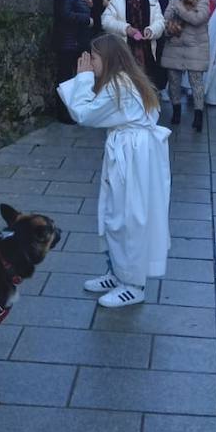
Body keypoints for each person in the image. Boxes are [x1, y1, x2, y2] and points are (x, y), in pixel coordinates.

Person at [57, 35, 171, 308]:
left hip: (134, 157)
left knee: (129, 216)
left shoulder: (119, 85)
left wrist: (82, 79)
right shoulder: (123, 81)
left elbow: (84, 114)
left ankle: (133, 284)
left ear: (107, 58)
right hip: (132, 152)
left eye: (94, 58)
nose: (91, 63)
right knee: (114, 212)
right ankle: (118, 272)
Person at [162, 0, 211, 132]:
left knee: (196, 82)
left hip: (195, 47)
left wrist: (179, 9)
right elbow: (166, 16)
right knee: (174, 81)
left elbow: (198, 18)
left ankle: (198, 115)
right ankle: (176, 110)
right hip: (174, 45)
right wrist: (169, 29)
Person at [102, 0, 165, 85]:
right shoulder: (118, 0)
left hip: (147, 51)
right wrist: (125, 29)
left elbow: (160, 22)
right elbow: (106, 21)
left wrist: (151, 30)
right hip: (124, 49)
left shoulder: (153, 1)